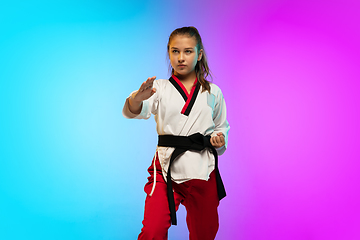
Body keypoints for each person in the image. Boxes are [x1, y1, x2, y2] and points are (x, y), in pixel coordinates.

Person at [122, 26, 230, 240]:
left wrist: (219, 140)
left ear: (199, 55)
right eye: (175, 51)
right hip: (165, 170)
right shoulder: (159, 88)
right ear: (169, 53)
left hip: (202, 170)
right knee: (153, 230)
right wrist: (138, 98)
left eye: (188, 51)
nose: (181, 58)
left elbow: (221, 127)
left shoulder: (213, 92)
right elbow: (134, 110)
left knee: (205, 234)